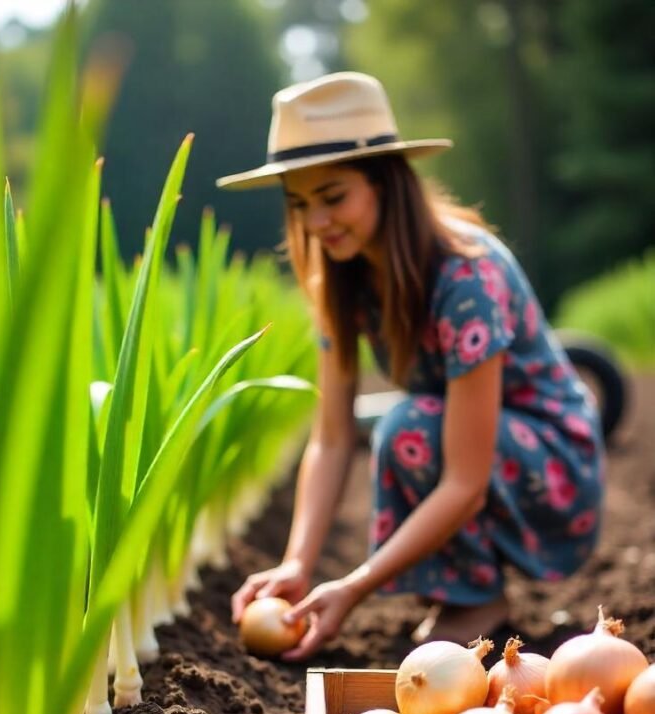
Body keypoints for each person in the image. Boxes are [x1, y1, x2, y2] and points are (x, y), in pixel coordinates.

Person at [218, 72, 604, 658]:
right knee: (410, 425)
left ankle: (479, 603)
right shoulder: (343, 279)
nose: (317, 223)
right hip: (480, 445)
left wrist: (354, 587)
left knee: (408, 429)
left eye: (333, 197)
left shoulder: (466, 276)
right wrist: (297, 562)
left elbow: (466, 482)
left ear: (387, 183)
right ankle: (461, 589)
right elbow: (330, 436)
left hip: (553, 469)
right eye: (299, 204)